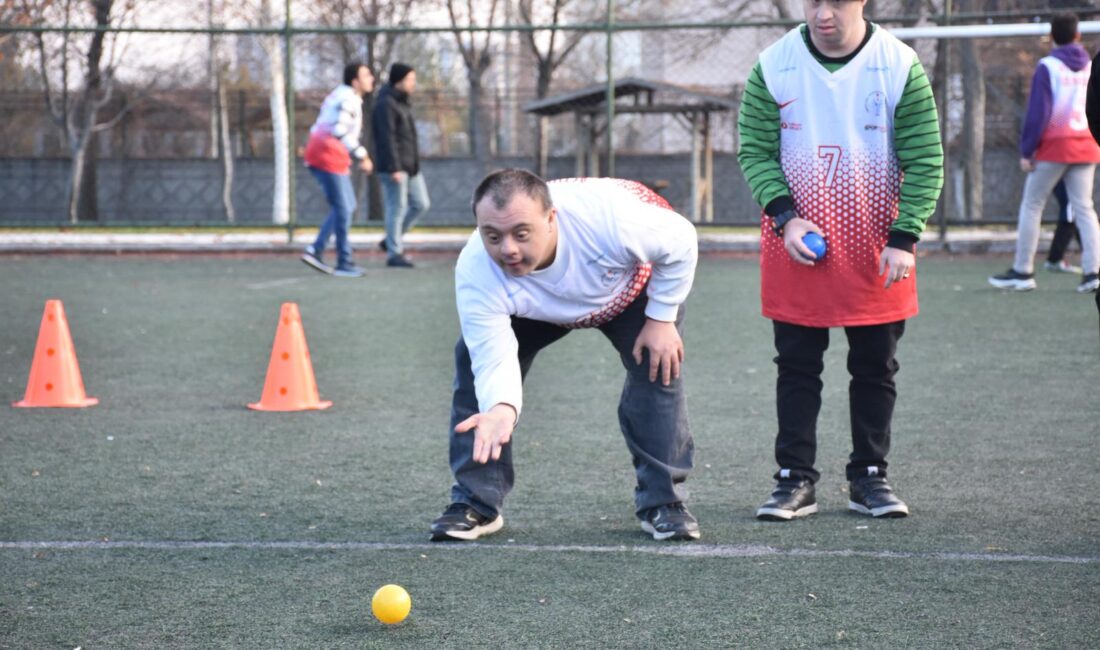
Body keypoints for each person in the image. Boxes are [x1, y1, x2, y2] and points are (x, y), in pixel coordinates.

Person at [737, 0, 943, 520]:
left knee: (876, 365)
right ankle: (794, 479)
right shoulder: (773, 64)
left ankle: (869, 477)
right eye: (813, 1)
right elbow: (755, 151)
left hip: (878, 248)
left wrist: (904, 236)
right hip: (795, 244)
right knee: (797, 366)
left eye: (836, 1)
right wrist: (786, 217)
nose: (823, 13)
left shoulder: (899, 64)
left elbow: (925, 158)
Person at [429, 169, 701, 542]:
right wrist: (501, 410)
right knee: (474, 370)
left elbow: (682, 240)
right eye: (492, 236)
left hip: (631, 288)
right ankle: (476, 503)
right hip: (536, 309)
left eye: (520, 233)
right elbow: (493, 355)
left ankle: (664, 503)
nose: (506, 248)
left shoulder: (614, 220)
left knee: (658, 367)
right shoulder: (477, 268)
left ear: (551, 219)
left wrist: (662, 316)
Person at [989, 13, 1100, 294]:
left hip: (1055, 145)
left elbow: (1039, 113)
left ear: (1051, 37)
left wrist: (1028, 150)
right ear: (1077, 36)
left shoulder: (1048, 66)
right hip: (1087, 143)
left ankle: (1023, 270)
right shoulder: (1089, 64)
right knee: (1085, 208)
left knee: (1032, 204)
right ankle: (1092, 272)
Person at [300, 62, 374, 278]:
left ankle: (317, 249)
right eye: (366, 75)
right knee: (343, 207)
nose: (371, 79)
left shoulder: (345, 95)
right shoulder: (348, 99)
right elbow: (339, 130)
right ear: (355, 81)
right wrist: (362, 155)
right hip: (325, 154)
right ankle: (341, 260)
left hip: (328, 154)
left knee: (347, 206)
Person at [372, 62, 430, 268]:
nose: (413, 83)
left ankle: (390, 240)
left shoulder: (402, 102)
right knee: (396, 207)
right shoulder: (385, 103)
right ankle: (394, 253)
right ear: (399, 81)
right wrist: (394, 167)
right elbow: (386, 138)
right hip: (394, 166)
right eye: (410, 79)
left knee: (421, 204)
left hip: (410, 165)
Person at [1044, 180, 1082, 274]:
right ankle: (1054, 259)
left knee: (1075, 210)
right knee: (1072, 207)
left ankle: (1055, 259)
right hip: (1061, 167)